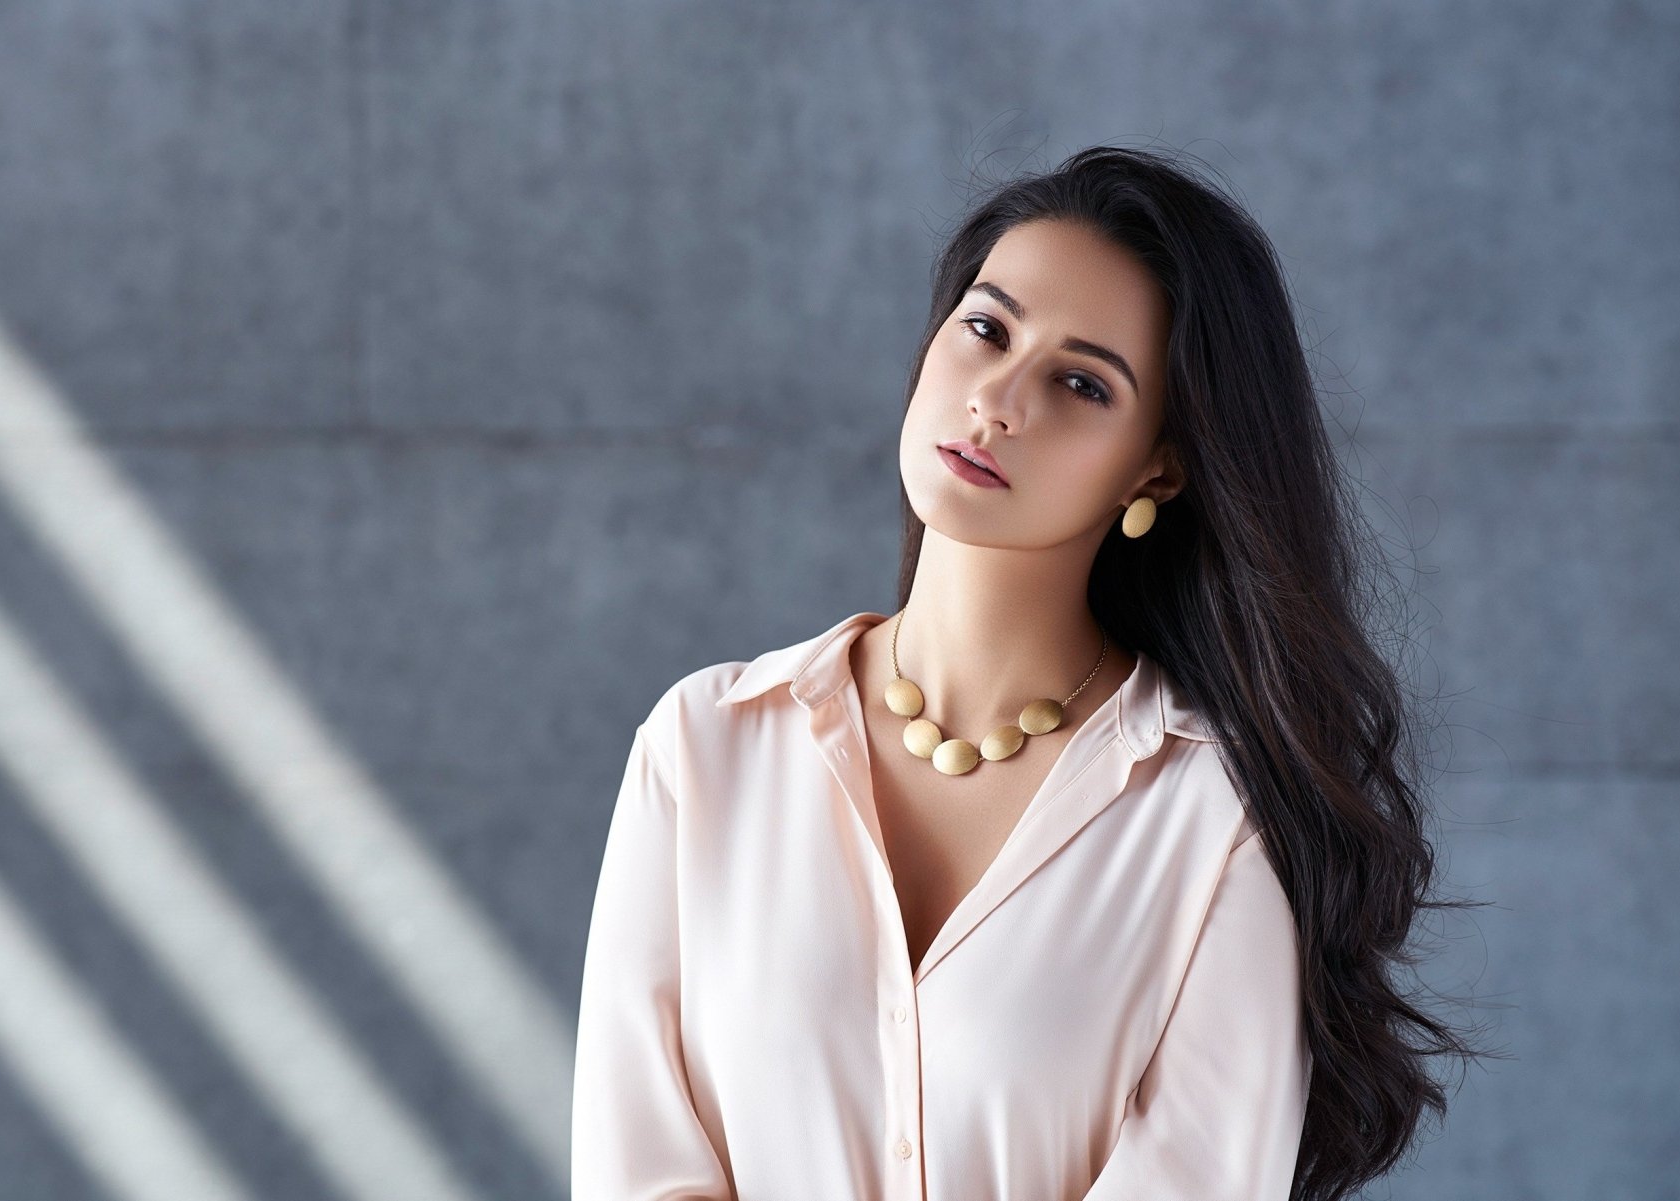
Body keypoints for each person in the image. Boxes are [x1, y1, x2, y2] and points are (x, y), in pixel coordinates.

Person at [571, 145, 1485, 1201]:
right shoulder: (704, 744)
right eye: (987, 328)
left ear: (1159, 466)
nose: (998, 399)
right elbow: (640, 1170)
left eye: (1081, 382)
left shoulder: (1217, 819)